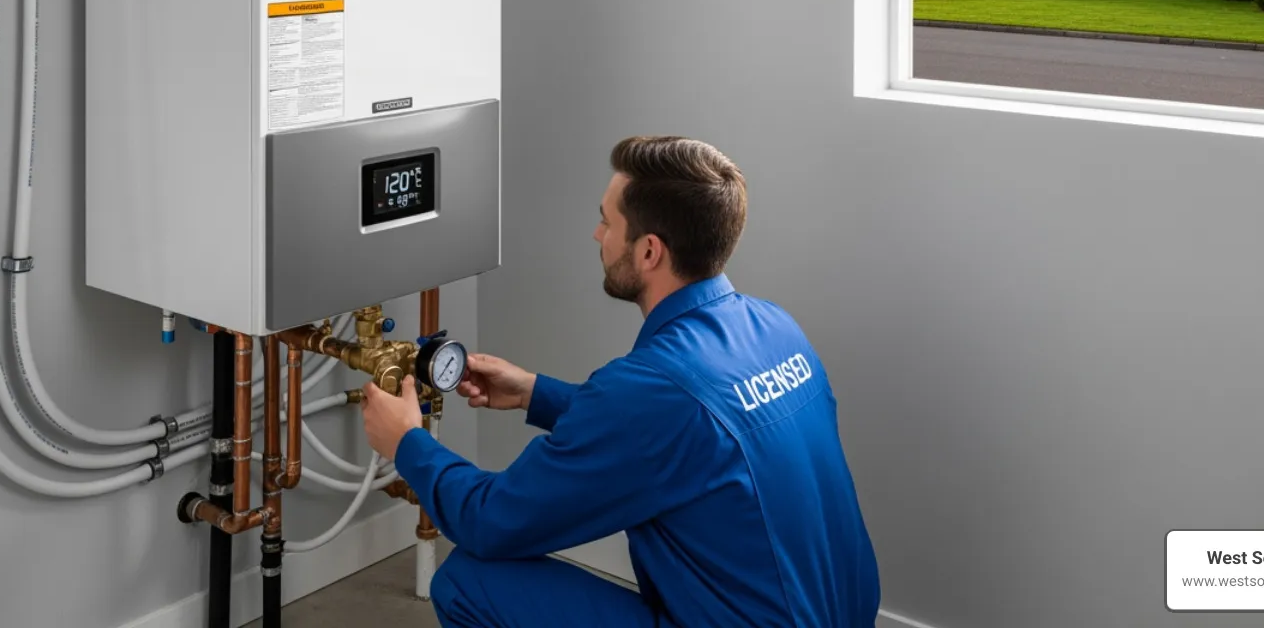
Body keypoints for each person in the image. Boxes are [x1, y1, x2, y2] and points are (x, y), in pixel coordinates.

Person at [361, 135, 880, 627]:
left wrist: (407, 443)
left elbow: (490, 521)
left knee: (469, 580)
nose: (597, 235)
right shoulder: (774, 326)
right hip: (840, 613)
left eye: (606, 221)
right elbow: (687, 433)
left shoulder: (648, 390)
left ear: (649, 251)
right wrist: (533, 393)